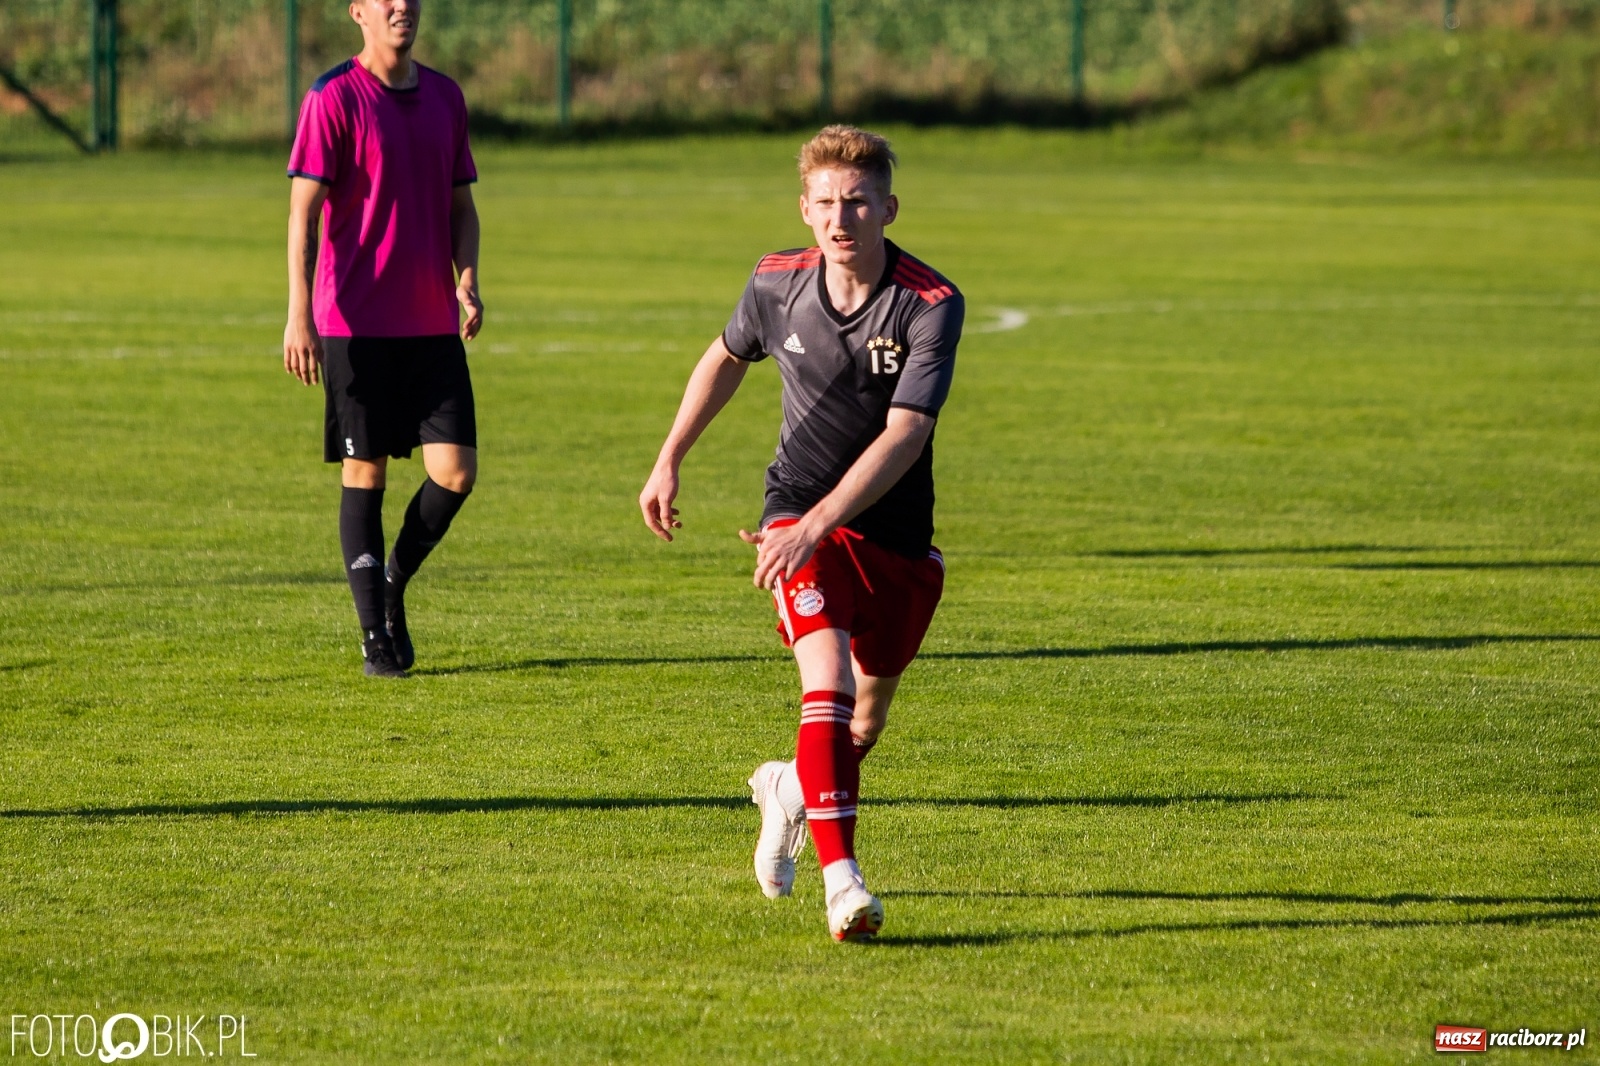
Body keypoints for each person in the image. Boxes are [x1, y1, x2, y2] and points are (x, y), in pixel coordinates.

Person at [639, 125, 963, 942]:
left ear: (889, 207)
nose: (840, 218)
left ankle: (787, 791)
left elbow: (907, 434)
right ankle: (842, 884)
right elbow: (725, 356)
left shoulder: (929, 303)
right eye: (826, 203)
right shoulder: (775, 280)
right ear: (805, 209)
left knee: (864, 725)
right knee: (827, 685)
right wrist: (669, 458)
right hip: (795, 515)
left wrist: (822, 523)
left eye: (857, 201)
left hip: (892, 534)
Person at [282, 0, 482, 678]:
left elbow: (462, 208)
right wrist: (299, 313)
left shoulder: (447, 98)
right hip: (355, 324)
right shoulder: (332, 97)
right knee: (365, 472)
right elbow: (303, 216)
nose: (402, 5)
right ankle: (375, 635)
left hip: (432, 322)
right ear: (358, 12)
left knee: (455, 473)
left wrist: (467, 280)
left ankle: (392, 581)